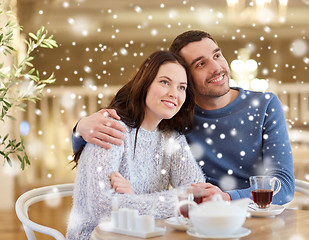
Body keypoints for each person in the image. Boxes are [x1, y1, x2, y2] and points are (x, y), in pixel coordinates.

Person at [72, 30, 295, 205]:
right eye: (201, 64)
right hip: (199, 221)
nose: (217, 68)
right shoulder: (175, 116)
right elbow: (111, 152)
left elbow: (283, 186)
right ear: (185, 78)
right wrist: (80, 129)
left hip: (257, 215)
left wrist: (229, 198)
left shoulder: (265, 105)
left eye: (217, 55)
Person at [66, 50, 205, 240]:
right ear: (145, 84)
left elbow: (198, 193)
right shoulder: (110, 128)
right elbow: (103, 210)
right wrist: (177, 201)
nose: (174, 93)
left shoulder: (172, 137)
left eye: (182, 87)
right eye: (165, 82)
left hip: (146, 234)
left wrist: (132, 199)